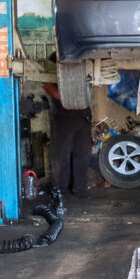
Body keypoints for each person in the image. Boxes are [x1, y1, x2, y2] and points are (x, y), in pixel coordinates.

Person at [43, 57, 92, 198]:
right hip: (62, 114)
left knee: (83, 152)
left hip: (83, 113)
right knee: (61, 154)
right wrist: (66, 99)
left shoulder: (85, 55)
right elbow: (46, 84)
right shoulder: (54, 57)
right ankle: (60, 189)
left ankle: (79, 188)